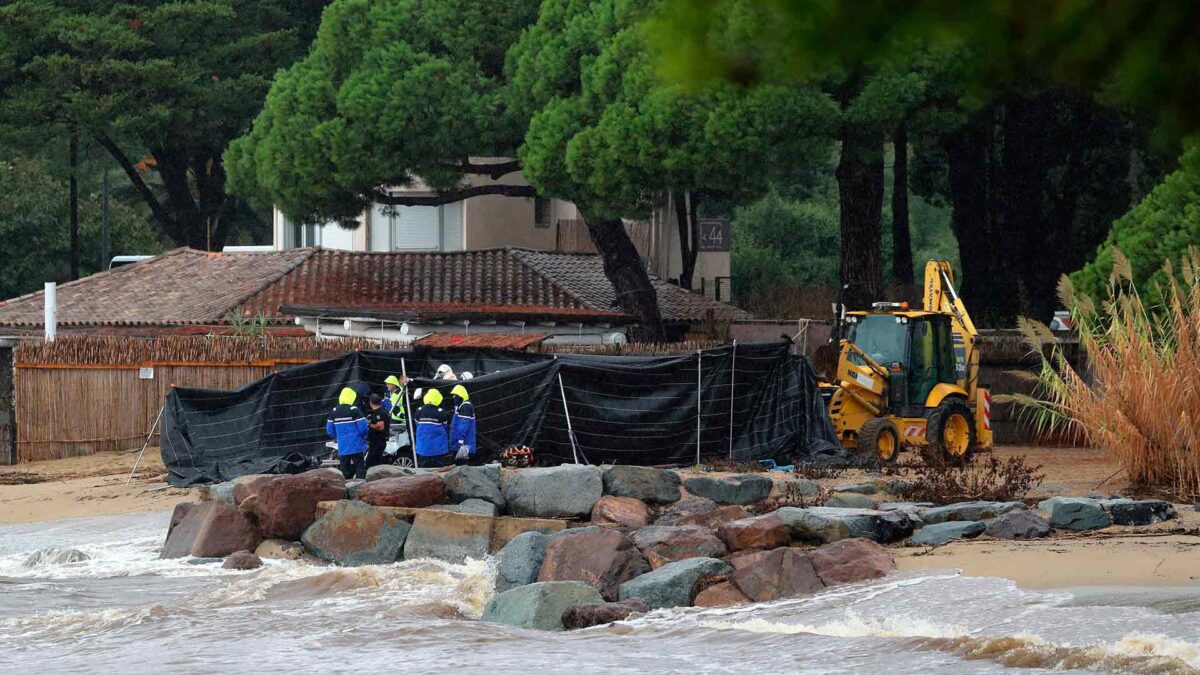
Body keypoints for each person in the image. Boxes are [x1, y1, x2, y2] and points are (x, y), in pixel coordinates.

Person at [326, 386, 369, 480]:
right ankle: (360, 490)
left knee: (345, 472)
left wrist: (338, 438)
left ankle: (346, 491)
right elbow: (363, 428)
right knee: (360, 470)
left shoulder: (334, 411)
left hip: (342, 447)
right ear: (352, 397)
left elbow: (329, 430)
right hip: (357, 445)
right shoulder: (354, 410)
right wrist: (364, 436)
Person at [414, 388, 452, 467]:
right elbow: (446, 426)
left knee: (423, 470)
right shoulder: (442, 412)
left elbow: (417, 425)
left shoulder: (419, 411)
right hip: (438, 448)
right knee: (439, 470)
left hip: (423, 448)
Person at [449, 384, 476, 465]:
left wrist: (460, 442)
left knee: (462, 468)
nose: (453, 397)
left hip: (464, 446)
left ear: (460, 395)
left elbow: (463, 427)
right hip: (462, 444)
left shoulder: (465, 407)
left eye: (455, 395)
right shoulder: (461, 406)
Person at [364, 393, 390, 469]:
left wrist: (369, 424)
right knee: (372, 462)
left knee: (371, 464)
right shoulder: (376, 412)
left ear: (370, 402)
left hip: (378, 441)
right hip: (374, 442)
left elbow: (380, 427)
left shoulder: (380, 412)